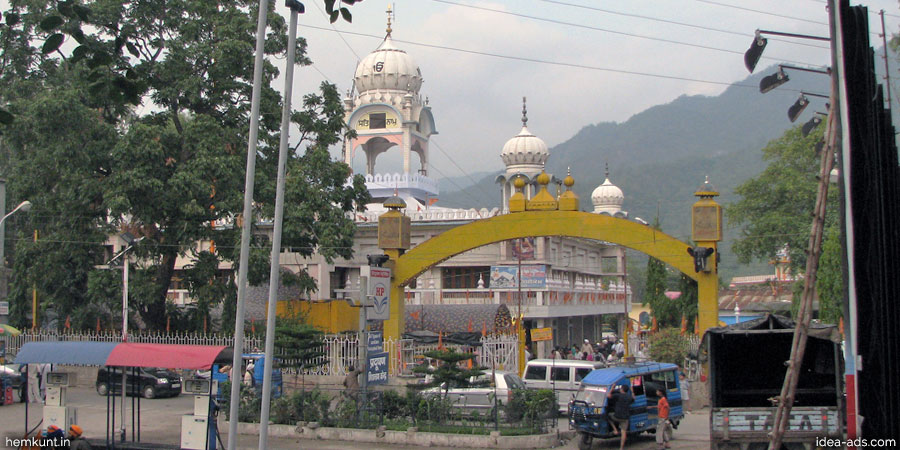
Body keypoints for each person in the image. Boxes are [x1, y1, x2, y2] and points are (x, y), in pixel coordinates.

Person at [607, 384, 634, 450]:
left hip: (617, 416)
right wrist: (632, 391)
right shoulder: (629, 397)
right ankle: (621, 448)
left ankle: (615, 430)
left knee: (608, 416)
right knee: (623, 432)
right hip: (625, 418)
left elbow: (608, 396)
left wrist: (612, 388)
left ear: (621, 389)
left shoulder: (618, 396)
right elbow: (633, 398)